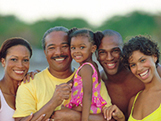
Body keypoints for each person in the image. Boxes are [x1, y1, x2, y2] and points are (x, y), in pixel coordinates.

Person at [13, 26, 110, 121]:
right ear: (45, 52)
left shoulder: (92, 78)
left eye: (64, 46)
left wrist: (75, 117)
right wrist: (53, 103)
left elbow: (111, 118)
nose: (58, 52)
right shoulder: (29, 84)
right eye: (51, 48)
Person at [95, 30, 161, 120]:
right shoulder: (98, 84)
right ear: (96, 55)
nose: (109, 57)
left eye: (115, 50)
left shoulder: (155, 70)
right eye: (102, 52)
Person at [63, 28, 111, 121]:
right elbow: (75, 80)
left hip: (88, 107)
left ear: (93, 48)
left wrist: (84, 119)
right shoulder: (91, 65)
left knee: (61, 112)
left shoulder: (86, 68)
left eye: (82, 47)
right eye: (73, 48)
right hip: (90, 105)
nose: (76, 51)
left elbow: (87, 94)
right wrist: (70, 83)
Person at [0, 37, 45, 121]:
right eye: (14, 59)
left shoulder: (31, 88)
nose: (20, 65)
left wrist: (38, 75)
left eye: (25, 60)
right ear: (3, 62)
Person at [122, 35, 161, 121]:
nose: (139, 68)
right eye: (133, 65)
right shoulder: (134, 101)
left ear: (154, 57)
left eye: (142, 60)